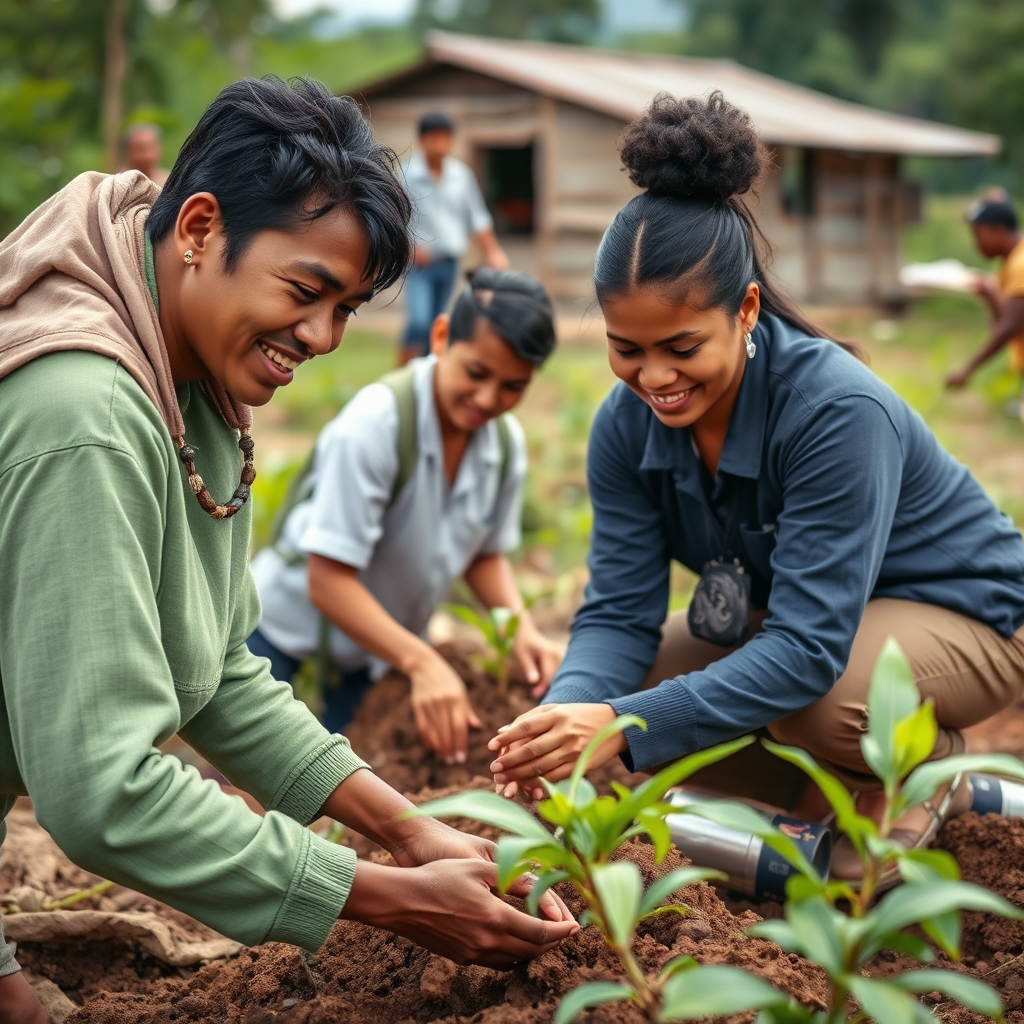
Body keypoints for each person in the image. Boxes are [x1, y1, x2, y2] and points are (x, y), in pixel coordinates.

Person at [0, 77, 576, 1024]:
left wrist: (409, 829)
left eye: (346, 308)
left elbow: (221, 673)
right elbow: (101, 789)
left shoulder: (187, 381)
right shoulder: (89, 416)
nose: (320, 337)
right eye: (306, 291)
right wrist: (384, 899)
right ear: (197, 229)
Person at [486, 93, 1024, 874]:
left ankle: (913, 777)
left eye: (680, 345)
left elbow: (806, 650)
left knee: (816, 695)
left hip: (968, 619)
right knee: (640, 685)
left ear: (744, 310)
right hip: (824, 623)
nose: (655, 378)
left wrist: (619, 726)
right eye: (626, 349)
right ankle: (840, 797)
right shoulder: (624, 424)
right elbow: (617, 610)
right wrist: (567, 718)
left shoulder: (836, 410)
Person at [250, 268, 563, 764]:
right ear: (440, 337)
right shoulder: (378, 424)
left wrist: (519, 628)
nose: (488, 399)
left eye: (512, 387)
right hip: (282, 631)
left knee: (345, 780)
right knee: (243, 774)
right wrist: (423, 660)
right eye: (476, 373)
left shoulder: (504, 446)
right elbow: (328, 581)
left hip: (373, 648)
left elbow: (482, 554)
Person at [400, 111, 509, 365]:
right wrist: (408, 248)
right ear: (422, 140)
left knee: (436, 324)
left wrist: (493, 251)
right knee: (418, 321)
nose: (440, 144)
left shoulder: (461, 176)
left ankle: (423, 378)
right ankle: (398, 375)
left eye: (445, 138)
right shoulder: (406, 176)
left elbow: (478, 218)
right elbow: (392, 219)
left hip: (449, 262)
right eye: (434, 138)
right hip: (419, 265)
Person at [945, 195, 1024, 419]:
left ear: (998, 230)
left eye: (978, 234)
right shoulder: (1009, 263)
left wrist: (967, 369)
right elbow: (1011, 322)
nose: (976, 243)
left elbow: (1008, 328)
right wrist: (990, 296)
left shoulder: (1021, 264)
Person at [122, 122, 170, 186]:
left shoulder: (169, 182)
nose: (147, 155)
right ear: (128, 150)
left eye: (150, 147)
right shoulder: (118, 182)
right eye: (140, 149)